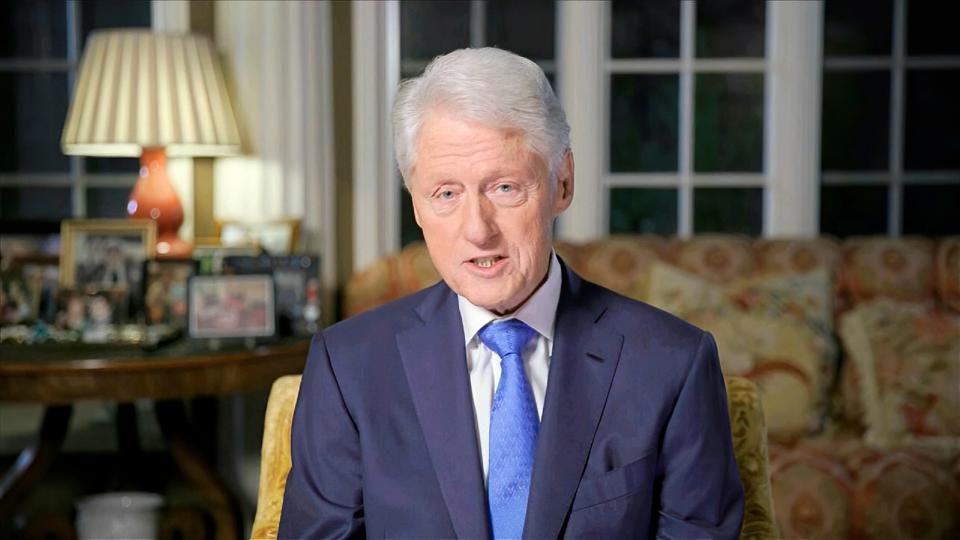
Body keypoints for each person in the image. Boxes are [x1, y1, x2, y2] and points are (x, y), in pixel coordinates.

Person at [279, 48, 743, 539]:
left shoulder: (672, 363)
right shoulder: (347, 367)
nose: (478, 231)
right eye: (446, 194)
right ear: (416, 204)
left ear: (561, 183)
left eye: (504, 187)